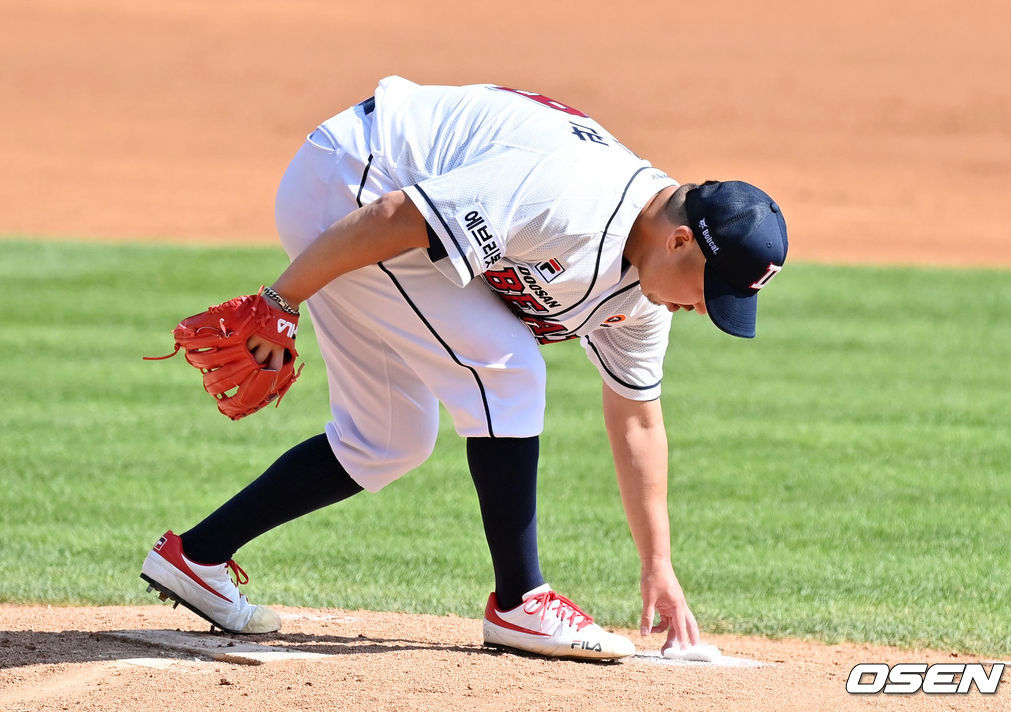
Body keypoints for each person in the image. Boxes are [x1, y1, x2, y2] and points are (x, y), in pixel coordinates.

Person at [140, 76, 788, 660]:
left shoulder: (646, 294)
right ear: (680, 240)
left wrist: (659, 565)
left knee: (386, 438)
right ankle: (522, 602)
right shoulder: (568, 197)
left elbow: (637, 418)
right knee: (509, 370)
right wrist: (281, 301)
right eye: (711, 291)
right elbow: (397, 216)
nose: (705, 310)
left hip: (372, 203)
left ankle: (197, 557)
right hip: (355, 180)